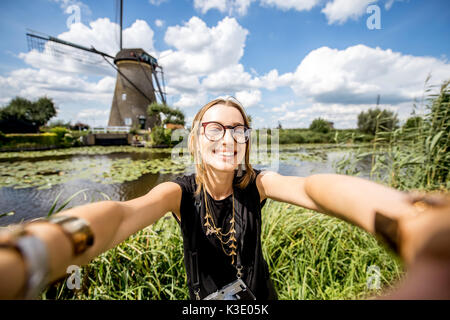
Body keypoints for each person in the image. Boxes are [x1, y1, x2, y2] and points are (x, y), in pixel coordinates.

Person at [0, 96, 448, 300]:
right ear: (196, 140)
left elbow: (315, 188)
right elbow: (120, 215)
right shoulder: (178, 191)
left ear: (247, 140)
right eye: (214, 128)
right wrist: (41, 247)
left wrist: (404, 214)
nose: (227, 137)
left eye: (238, 128)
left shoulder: (258, 183)